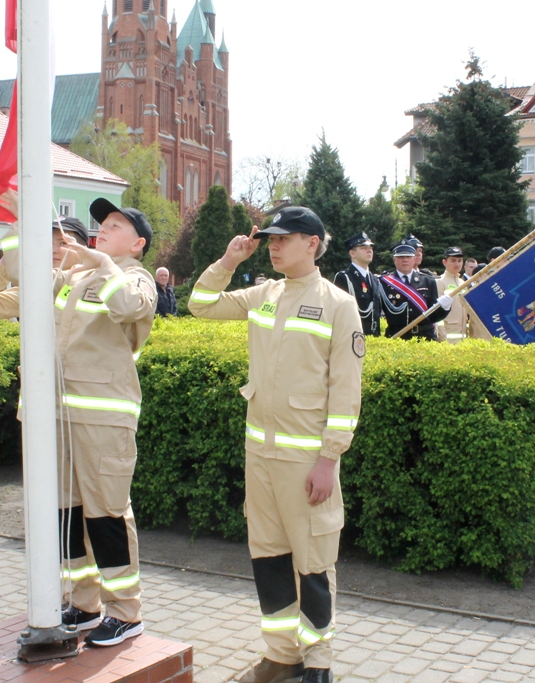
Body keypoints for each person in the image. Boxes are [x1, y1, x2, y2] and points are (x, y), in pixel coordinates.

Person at [187, 206, 362, 683]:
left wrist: (329, 459)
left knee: (313, 562)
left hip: (305, 459)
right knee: (268, 556)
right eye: (270, 239)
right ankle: (281, 653)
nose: (274, 246)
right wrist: (228, 261)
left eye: (284, 238)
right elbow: (200, 304)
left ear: (313, 242)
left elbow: (346, 391)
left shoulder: (337, 304)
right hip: (259, 455)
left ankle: (319, 661)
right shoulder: (264, 294)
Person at [0, 203, 156, 648]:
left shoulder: (134, 278)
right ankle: (84, 603)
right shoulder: (67, 281)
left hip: (103, 417)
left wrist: (103, 262)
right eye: (102, 226)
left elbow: (128, 306)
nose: (102, 231)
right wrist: (15, 244)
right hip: (55, 416)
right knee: (66, 514)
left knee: (107, 514)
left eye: (115, 227)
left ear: (137, 244)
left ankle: (126, 613)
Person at [379, 239, 452, 340]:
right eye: (400, 257)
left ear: (414, 259)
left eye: (408, 257)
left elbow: (433, 317)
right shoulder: (383, 283)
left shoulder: (428, 281)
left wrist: (445, 308)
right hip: (397, 338)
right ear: (394, 260)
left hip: (425, 337)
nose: (405, 260)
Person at [332, 232, 382, 336]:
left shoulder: (374, 279)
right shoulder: (344, 277)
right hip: (353, 337)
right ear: (352, 253)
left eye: (370, 247)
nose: (369, 250)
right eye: (363, 248)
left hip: (374, 339)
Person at [435, 247, 469, 344]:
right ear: (444, 262)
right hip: (448, 340)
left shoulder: (462, 283)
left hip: (463, 339)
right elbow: (437, 314)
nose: (457, 264)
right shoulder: (440, 282)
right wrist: (442, 338)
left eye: (459, 260)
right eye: (453, 261)